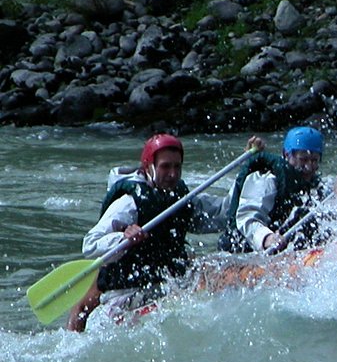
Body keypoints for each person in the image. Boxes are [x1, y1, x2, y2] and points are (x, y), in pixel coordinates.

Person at [66, 133, 230, 331]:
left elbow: (225, 214)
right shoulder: (129, 203)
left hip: (164, 284)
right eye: (165, 166)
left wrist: (247, 176)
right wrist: (122, 238)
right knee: (84, 305)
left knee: (208, 269)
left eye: (177, 167)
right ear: (149, 166)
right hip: (125, 293)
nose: (172, 174)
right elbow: (90, 244)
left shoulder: (181, 199)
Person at [219, 125, 328, 253]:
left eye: (314, 160)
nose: (309, 166)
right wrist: (266, 238)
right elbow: (247, 216)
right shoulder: (266, 180)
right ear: (286, 155)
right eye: (303, 159)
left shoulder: (317, 187)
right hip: (243, 250)